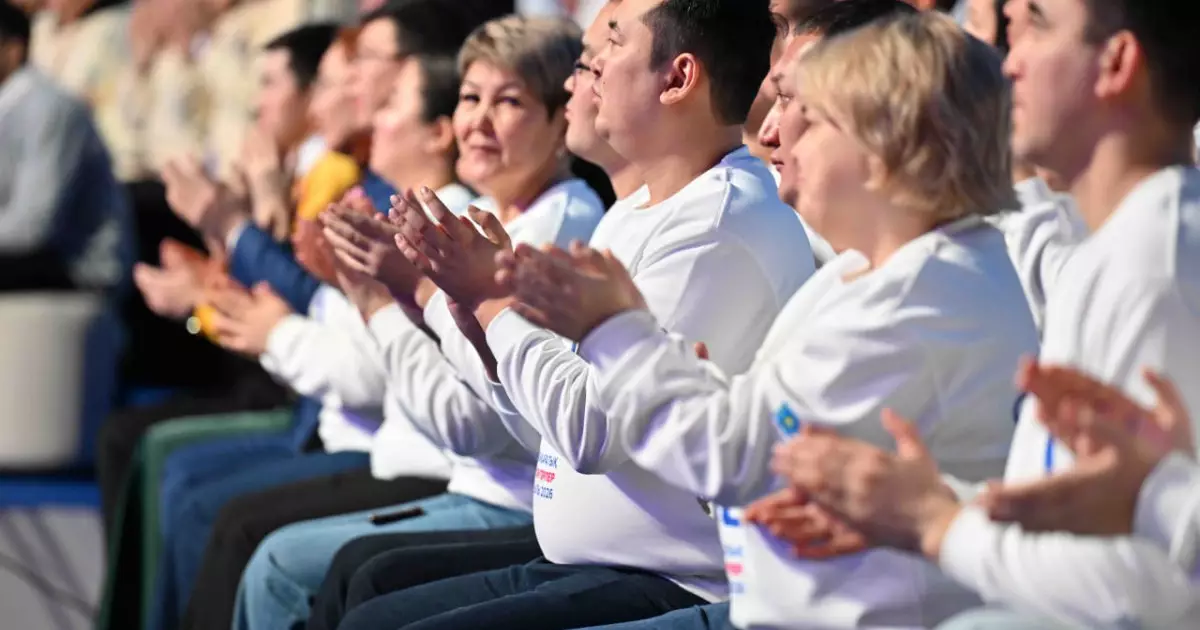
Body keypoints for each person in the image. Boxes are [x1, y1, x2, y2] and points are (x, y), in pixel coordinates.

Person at [492, 8, 1033, 630]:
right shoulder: (880, 271)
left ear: (887, 141)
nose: (774, 132)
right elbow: (755, 433)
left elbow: (735, 454)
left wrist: (614, 329)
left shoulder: (925, 295)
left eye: (808, 113)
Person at [341, 1, 805, 629]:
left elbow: (592, 432)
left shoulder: (717, 224)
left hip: (677, 582)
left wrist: (486, 302)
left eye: (611, 45)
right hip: (591, 562)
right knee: (373, 593)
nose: (582, 76)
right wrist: (476, 322)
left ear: (678, 78)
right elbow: (544, 428)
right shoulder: (639, 209)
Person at [768, 0, 1200, 627]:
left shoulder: (1153, 262)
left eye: (1037, 28)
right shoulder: (1121, 247)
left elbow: (1139, 595)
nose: (1009, 64)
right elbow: (1101, 512)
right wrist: (922, 503)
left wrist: (937, 525)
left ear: (1118, 63)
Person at [232, 16, 608, 630]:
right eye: (470, 97)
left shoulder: (556, 228)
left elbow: (471, 429)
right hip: (464, 483)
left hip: (508, 502)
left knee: (285, 561)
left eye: (508, 101)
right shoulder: (485, 213)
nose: (478, 122)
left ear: (560, 122)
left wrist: (384, 298)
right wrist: (373, 292)